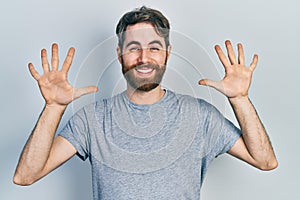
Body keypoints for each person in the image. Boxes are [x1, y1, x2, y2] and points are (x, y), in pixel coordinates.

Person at [14, 6, 278, 199]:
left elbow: (265, 161)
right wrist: (53, 108)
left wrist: (240, 100)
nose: (143, 57)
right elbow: (26, 176)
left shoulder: (199, 115)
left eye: (153, 47)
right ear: (119, 54)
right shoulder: (92, 119)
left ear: (167, 53)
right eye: (133, 47)